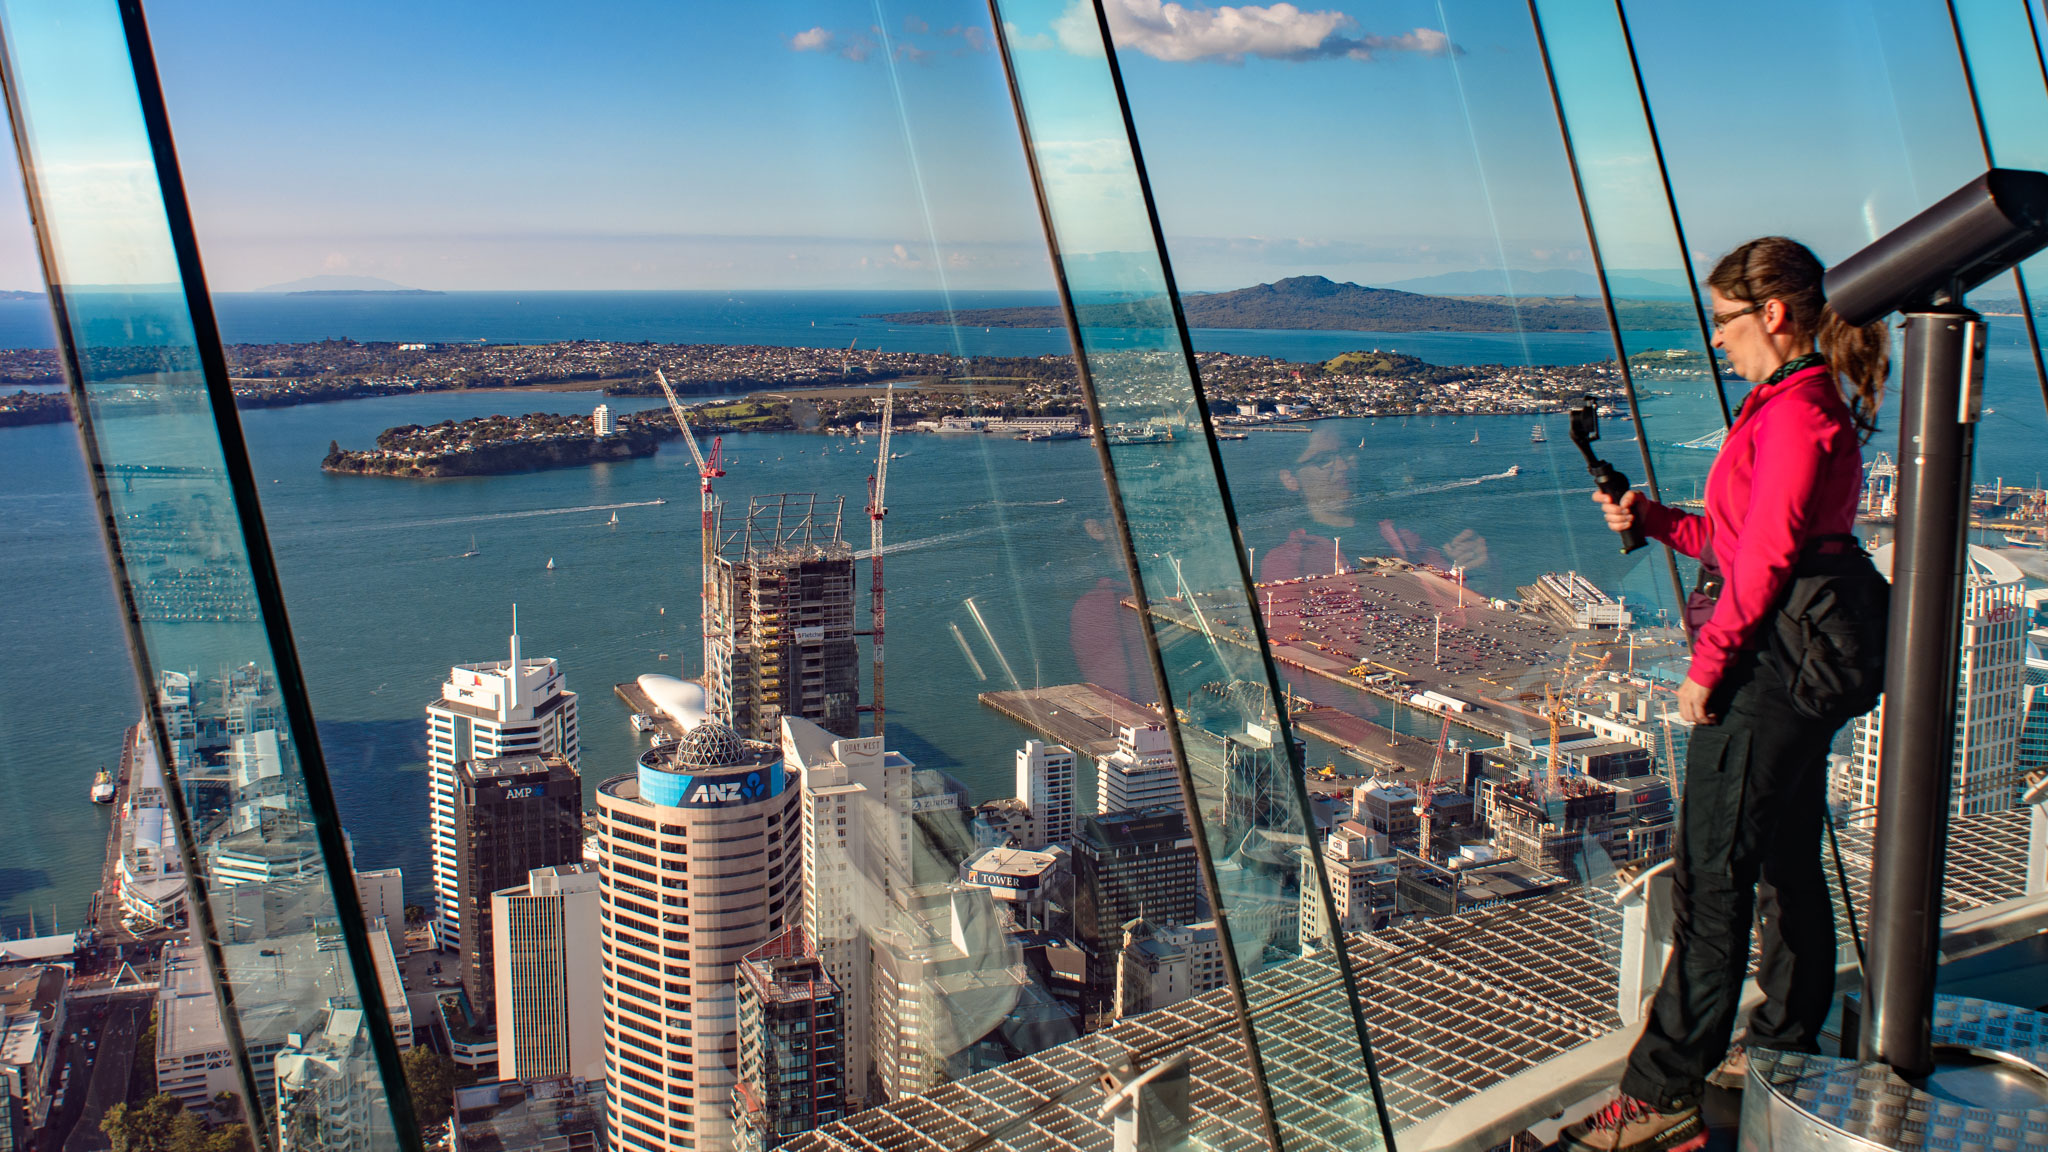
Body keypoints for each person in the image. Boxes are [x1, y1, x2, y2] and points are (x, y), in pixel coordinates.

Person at [1560, 237, 1890, 1152]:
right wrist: (1658, 520)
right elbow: (1743, 538)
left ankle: (1663, 1092)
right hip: (1794, 662)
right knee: (1784, 856)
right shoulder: (1793, 406)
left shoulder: (1795, 414)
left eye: (1726, 321)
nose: (1718, 341)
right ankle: (1787, 1041)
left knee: (1713, 876)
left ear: (1773, 315)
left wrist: (1707, 668)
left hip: (1766, 671)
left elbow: (1770, 556)